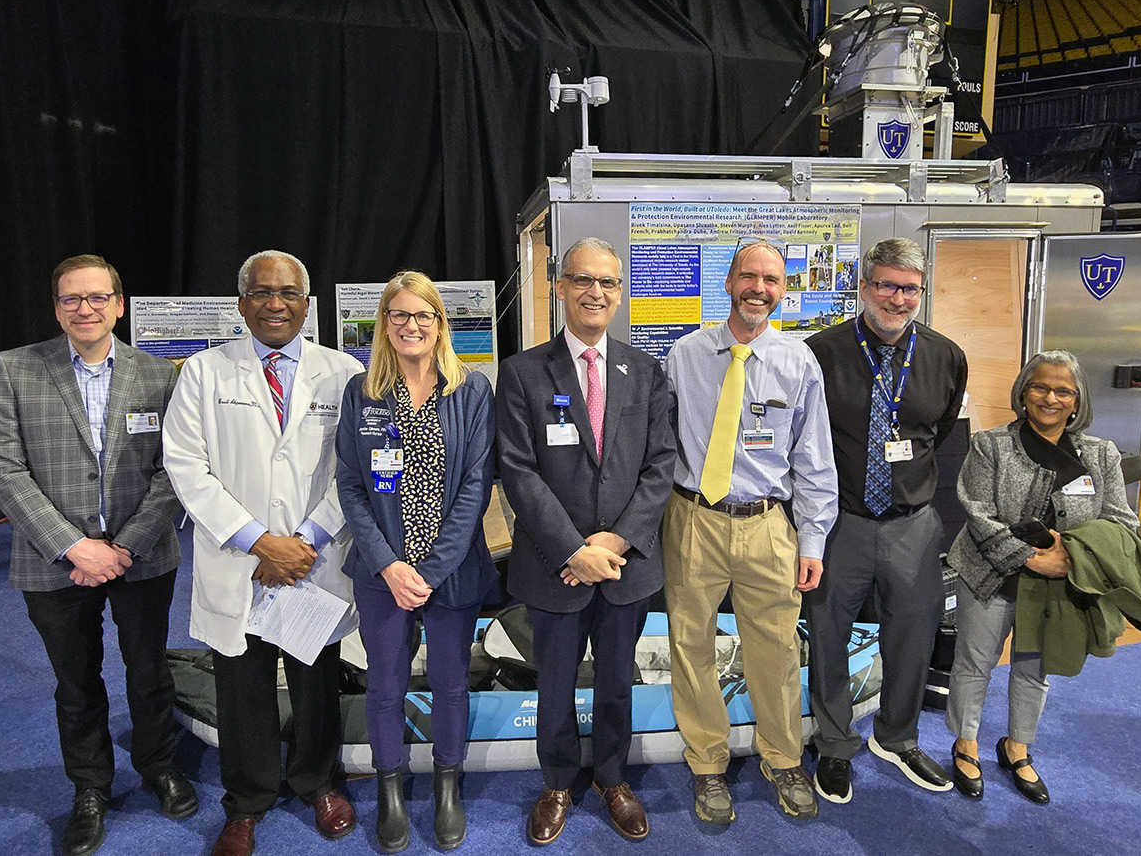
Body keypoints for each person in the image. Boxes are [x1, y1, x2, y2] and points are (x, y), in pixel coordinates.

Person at [0, 254, 197, 856]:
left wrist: (121, 548)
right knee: (75, 683)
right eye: (71, 299)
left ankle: (158, 767)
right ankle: (90, 788)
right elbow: (0, 466)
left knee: (149, 673)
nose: (85, 309)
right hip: (53, 561)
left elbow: (174, 471)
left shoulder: (160, 376)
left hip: (141, 558)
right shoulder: (15, 369)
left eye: (98, 298)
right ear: (56, 308)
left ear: (119, 305)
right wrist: (74, 546)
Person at [162, 250, 362, 856]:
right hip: (240, 558)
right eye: (262, 292)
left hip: (313, 557)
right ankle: (247, 800)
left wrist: (307, 541)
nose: (276, 304)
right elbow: (185, 466)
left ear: (307, 303)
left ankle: (318, 781)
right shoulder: (203, 372)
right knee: (241, 681)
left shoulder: (343, 371)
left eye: (290, 293)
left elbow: (352, 470)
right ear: (242, 302)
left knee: (315, 676)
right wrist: (258, 541)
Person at [497, 237, 676, 845]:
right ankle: (557, 783)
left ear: (619, 293)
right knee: (554, 681)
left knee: (618, 680)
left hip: (625, 568)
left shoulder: (645, 369)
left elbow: (661, 466)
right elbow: (517, 471)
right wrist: (574, 550)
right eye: (581, 280)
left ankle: (612, 778)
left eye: (606, 282)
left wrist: (616, 543)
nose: (594, 292)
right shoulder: (522, 373)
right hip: (555, 567)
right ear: (559, 287)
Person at [663, 238, 837, 824]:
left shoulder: (798, 362)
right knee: (690, 647)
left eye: (771, 279)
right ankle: (708, 764)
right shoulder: (684, 354)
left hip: (768, 524)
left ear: (783, 289)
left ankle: (784, 758)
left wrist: (812, 540)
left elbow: (815, 461)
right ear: (728, 282)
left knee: (778, 648)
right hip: (692, 519)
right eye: (748, 276)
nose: (759, 288)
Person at [335, 271, 497, 852]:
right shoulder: (363, 393)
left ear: (439, 324)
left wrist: (427, 572)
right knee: (385, 684)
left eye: (422, 315)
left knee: (452, 683)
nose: (411, 326)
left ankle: (447, 786)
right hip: (382, 574)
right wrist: (388, 566)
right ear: (384, 325)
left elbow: (477, 486)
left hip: (451, 571)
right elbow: (350, 486)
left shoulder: (472, 390)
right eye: (399, 316)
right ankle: (391, 789)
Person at [805, 237, 967, 803]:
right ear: (864, 287)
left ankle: (896, 737)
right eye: (886, 286)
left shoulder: (946, 356)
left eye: (909, 289)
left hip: (913, 525)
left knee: (912, 633)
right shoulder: (819, 352)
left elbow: (939, 430)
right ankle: (833, 743)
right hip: (839, 521)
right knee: (828, 633)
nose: (898, 299)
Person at [946, 350, 1138, 803]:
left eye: (1063, 391)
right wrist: (1030, 557)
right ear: (1024, 392)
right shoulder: (991, 445)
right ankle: (965, 742)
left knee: (1034, 670)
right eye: (1040, 387)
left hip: (1058, 584)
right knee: (974, 665)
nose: (1050, 397)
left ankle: (1017, 747)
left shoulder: (1101, 454)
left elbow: (1120, 523)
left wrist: (1067, 557)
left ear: (1077, 401)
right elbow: (976, 512)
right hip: (989, 575)